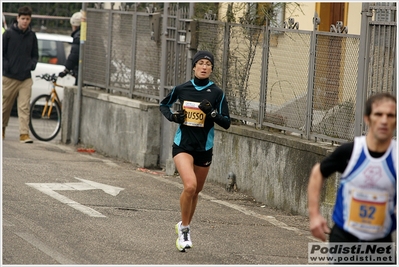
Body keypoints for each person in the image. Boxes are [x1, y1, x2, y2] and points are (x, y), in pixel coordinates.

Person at [160, 51, 231, 252]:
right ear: (194, 67)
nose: (204, 67)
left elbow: (226, 122)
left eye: (208, 64)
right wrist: (174, 117)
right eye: (200, 63)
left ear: (211, 69)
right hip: (183, 145)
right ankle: (185, 230)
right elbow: (163, 104)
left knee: (196, 191)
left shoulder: (217, 93)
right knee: (189, 186)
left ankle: (183, 225)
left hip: (204, 148)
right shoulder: (182, 89)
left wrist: (213, 113)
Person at [307, 93, 396, 248]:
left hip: (381, 242)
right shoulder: (351, 152)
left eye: (390, 115)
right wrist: (314, 215)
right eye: (378, 114)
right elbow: (318, 172)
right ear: (367, 118)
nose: (384, 120)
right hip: (344, 237)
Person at [2, 6, 38, 143]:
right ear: (18, 18)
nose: (25, 21)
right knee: (5, 106)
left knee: (24, 107)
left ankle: (24, 134)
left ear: (30, 20)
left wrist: (32, 65)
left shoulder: (32, 36)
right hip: (9, 76)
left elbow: (35, 55)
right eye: (23, 18)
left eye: (27, 19)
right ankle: (2, 128)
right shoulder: (8, 34)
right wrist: (6, 65)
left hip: (25, 78)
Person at [58, 11, 81, 85]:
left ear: (74, 26)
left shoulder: (78, 37)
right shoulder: (89, 34)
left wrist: (66, 70)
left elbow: (74, 55)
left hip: (82, 73)